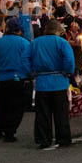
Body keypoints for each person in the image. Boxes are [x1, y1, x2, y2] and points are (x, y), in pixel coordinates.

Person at [0, 16, 31, 142]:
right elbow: (28, 61)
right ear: (18, 30)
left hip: (3, 79)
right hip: (18, 78)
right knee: (17, 107)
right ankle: (10, 132)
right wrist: (30, 74)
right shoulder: (24, 43)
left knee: (2, 105)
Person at [29, 20, 74, 150]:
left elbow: (24, 58)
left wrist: (31, 72)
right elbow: (69, 60)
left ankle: (44, 139)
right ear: (58, 30)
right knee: (61, 114)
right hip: (59, 81)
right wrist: (67, 71)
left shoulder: (35, 43)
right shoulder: (62, 42)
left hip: (42, 83)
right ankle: (63, 139)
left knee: (43, 114)